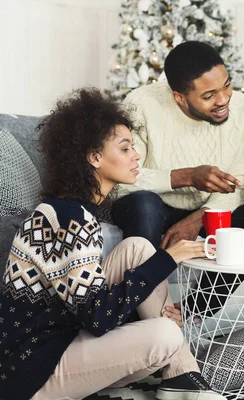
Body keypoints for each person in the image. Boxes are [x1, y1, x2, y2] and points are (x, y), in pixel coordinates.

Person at [0, 88, 225, 400]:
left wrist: (155, 274)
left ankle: (182, 376)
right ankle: (182, 376)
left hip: (63, 338)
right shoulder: (67, 219)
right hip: (33, 373)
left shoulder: (75, 209)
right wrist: (168, 259)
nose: (136, 155)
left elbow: (88, 306)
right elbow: (99, 318)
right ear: (94, 157)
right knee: (164, 334)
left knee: (138, 248)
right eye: (125, 148)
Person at [112, 40, 244, 249]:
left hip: (210, 208)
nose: (224, 100)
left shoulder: (241, 106)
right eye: (209, 96)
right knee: (143, 205)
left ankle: (209, 285)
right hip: (157, 205)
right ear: (179, 98)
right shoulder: (142, 104)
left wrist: (200, 218)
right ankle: (145, 280)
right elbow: (121, 179)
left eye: (226, 85)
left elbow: (241, 180)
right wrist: (186, 176)